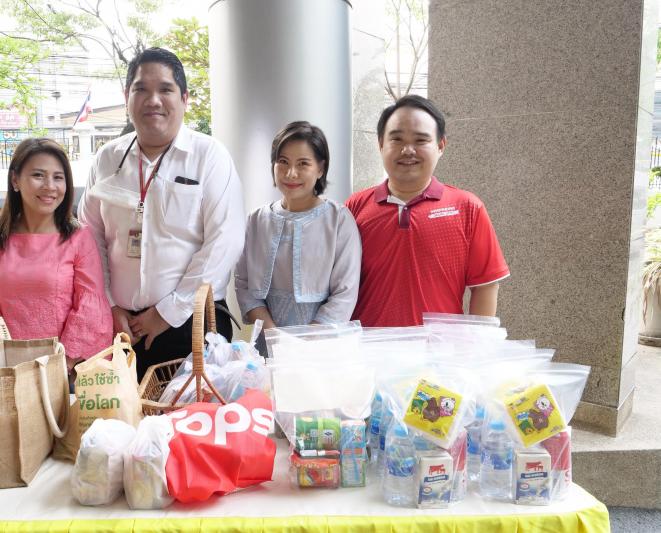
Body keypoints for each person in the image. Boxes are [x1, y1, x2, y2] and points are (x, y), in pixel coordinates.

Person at [78, 47, 245, 381]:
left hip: (192, 325)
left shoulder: (208, 156)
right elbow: (89, 239)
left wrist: (168, 312)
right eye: (141, 89)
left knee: (192, 427)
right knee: (123, 426)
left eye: (165, 89)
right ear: (127, 97)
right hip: (120, 328)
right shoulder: (107, 160)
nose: (153, 100)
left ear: (184, 98)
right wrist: (109, 304)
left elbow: (224, 240)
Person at [345, 95, 509, 327]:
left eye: (421, 140)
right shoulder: (354, 207)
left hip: (440, 354)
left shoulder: (468, 208)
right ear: (381, 144)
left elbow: (485, 286)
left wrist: (475, 349)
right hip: (368, 352)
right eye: (397, 139)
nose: (408, 150)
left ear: (440, 146)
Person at [0, 137, 112, 370]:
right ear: (15, 178)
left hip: (66, 370)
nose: (50, 186)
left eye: (58, 177)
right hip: (8, 371)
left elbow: (90, 307)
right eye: (38, 175)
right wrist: (5, 363)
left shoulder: (78, 236)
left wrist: (62, 364)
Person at [235, 121, 361, 348]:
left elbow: (345, 292)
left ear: (320, 168)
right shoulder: (256, 220)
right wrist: (274, 337)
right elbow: (243, 283)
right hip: (267, 342)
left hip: (322, 345)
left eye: (303, 163)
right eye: (283, 162)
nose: (291, 173)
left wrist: (306, 344)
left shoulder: (339, 219)